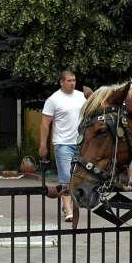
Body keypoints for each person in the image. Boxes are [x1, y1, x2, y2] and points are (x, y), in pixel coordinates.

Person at [39, 70, 89, 221]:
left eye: (74, 80)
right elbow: (45, 124)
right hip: (63, 144)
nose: (72, 83)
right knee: (66, 178)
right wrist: (43, 145)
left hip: (81, 143)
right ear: (61, 82)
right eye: (69, 81)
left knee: (78, 177)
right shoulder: (53, 99)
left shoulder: (81, 96)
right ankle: (68, 210)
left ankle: (67, 204)